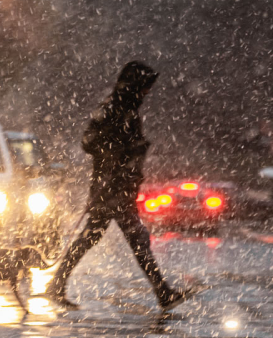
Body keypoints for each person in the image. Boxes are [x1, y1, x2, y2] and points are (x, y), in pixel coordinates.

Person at [44, 62, 186, 310]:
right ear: (134, 86)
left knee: (93, 236)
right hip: (111, 187)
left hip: (117, 187)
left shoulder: (126, 109)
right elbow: (89, 142)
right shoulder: (114, 109)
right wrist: (119, 153)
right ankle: (163, 293)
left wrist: (130, 153)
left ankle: (57, 284)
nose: (147, 93)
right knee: (135, 239)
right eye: (144, 88)